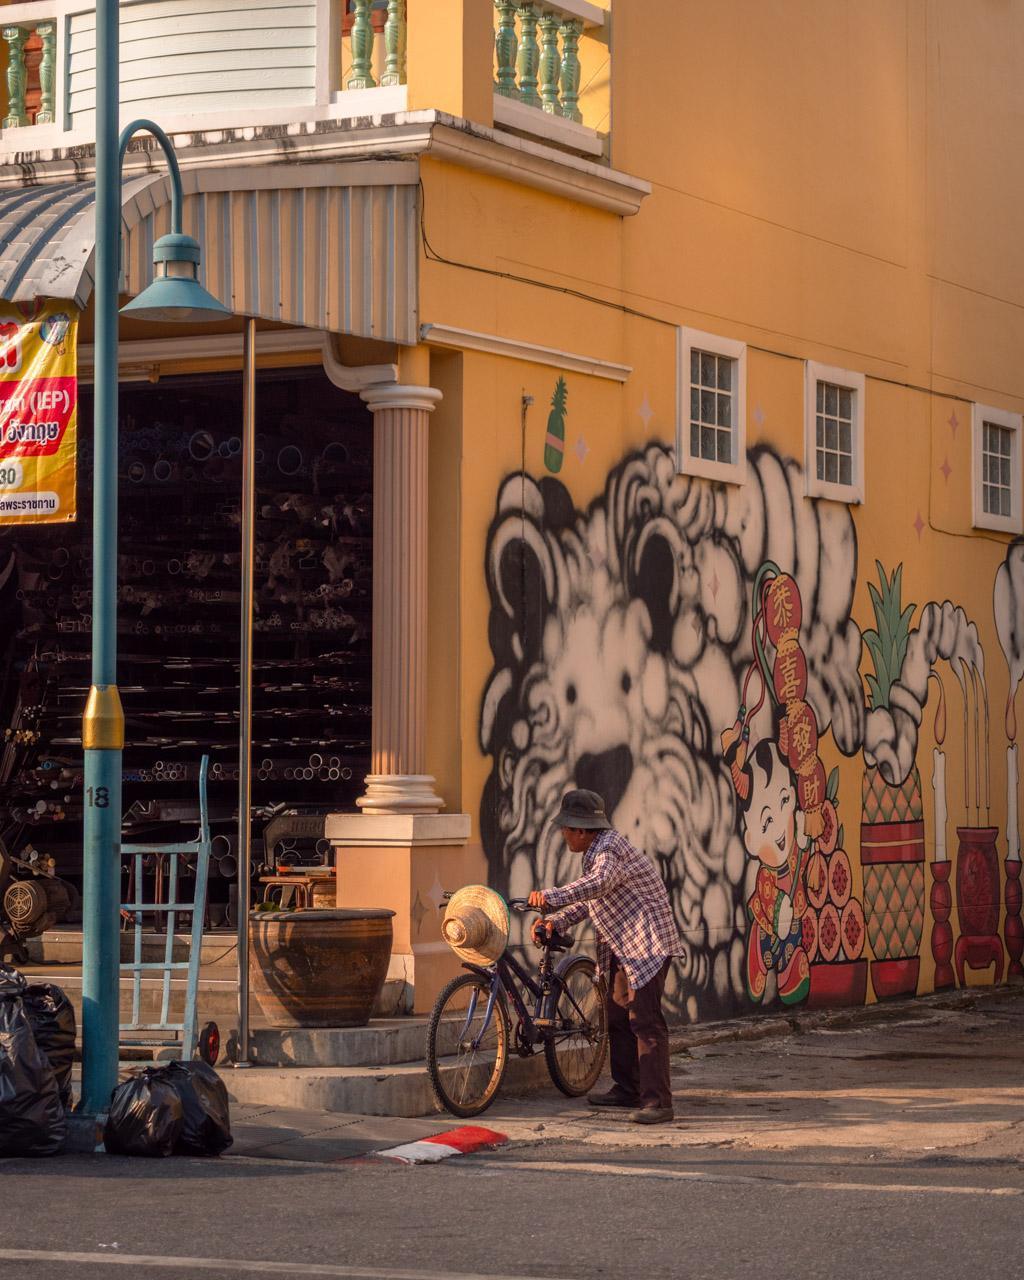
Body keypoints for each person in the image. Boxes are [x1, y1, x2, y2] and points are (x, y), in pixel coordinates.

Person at [528, 789, 680, 1125]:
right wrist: (555, 919)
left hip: (646, 943)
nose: (563, 834)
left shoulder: (608, 850)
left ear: (580, 830)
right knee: (615, 1016)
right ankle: (628, 1090)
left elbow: (598, 883)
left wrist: (550, 898)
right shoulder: (596, 851)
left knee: (646, 1021)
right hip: (622, 944)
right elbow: (591, 901)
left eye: (566, 829)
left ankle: (658, 1102)